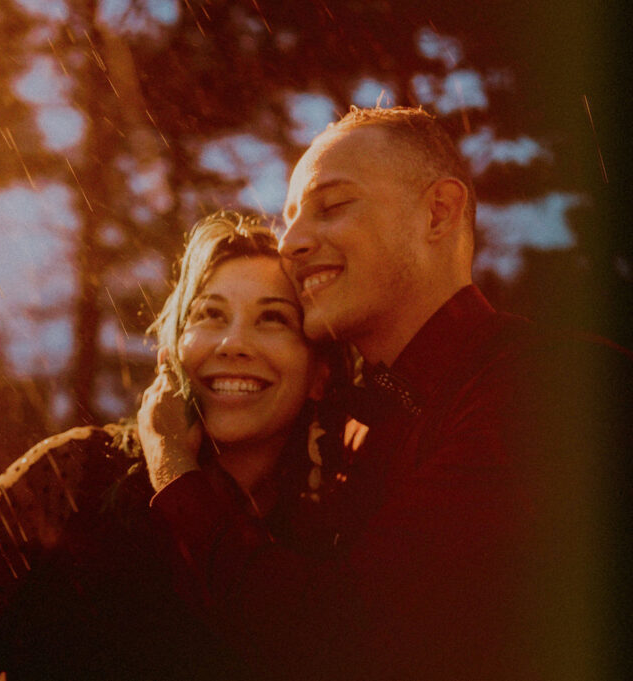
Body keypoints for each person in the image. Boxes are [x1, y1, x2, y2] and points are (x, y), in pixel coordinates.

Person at [139, 107, 632, 680]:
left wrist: (173, 466)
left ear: (438, 213)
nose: (291, 242)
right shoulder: (347, 440)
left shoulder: (551, 389)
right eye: (291, 217)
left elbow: (342, 639)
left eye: (332, 205)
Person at [0, 210, 355, 681]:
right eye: (210, 314)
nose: (233, 343)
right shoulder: (70, 479)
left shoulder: (324, 540)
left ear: (321, 373)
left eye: (273, 319)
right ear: (169, 354)